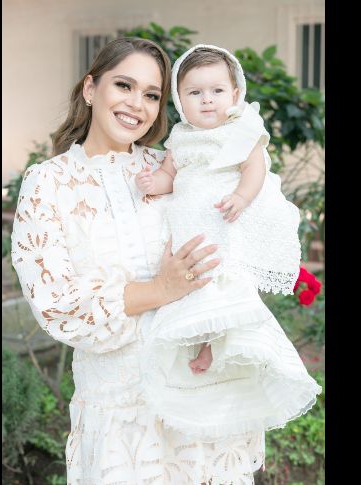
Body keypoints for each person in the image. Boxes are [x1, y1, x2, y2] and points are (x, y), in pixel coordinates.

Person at [10, 37, 265, 484]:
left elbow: (234, 244)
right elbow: (57, 306)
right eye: (123, 85)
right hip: (120, 416)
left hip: (201, 399)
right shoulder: (49, 183)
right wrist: (161, 290)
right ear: (91, 89)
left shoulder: (177, 167)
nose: (136, 104)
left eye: (151, 94)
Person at [135, 44, 322, 441]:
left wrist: (241, 196)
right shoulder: (180, 139)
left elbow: (255, 170)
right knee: (198, 285)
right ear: (179, 100)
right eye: (195, 92)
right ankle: (203, 341)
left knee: (226, 284)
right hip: (191, 220)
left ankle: (218, 345)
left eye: (217, 91)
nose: (207, 100)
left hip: (224, 215)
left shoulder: (241, 130)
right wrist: (155, 183)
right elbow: (170, 175)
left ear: (234, 94)